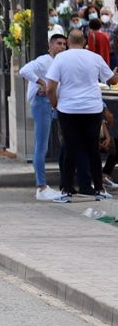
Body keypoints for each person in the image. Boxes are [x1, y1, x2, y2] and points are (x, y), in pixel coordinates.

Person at [45, 28, 118, 202]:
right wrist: (114, 73)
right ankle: (98, 188)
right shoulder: (95, 58)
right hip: (92, 109)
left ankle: (67, 189)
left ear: (68, 43)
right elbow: (112, 80)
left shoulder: (61, 58)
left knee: (70, 148)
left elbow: (50, 87)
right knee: (93, 149)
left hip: (68, 109)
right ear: (85, 42)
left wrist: (55, 103)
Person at [19, 31, 68, 200]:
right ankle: (41, 187)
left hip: (55, 105)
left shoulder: (62, 63)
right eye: (58, 43)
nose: (62, 47)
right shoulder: (44, 61)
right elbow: (24, 70)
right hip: (42, 104)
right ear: (50, 45)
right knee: (41, 147)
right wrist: (42, 83)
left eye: (64, 44)